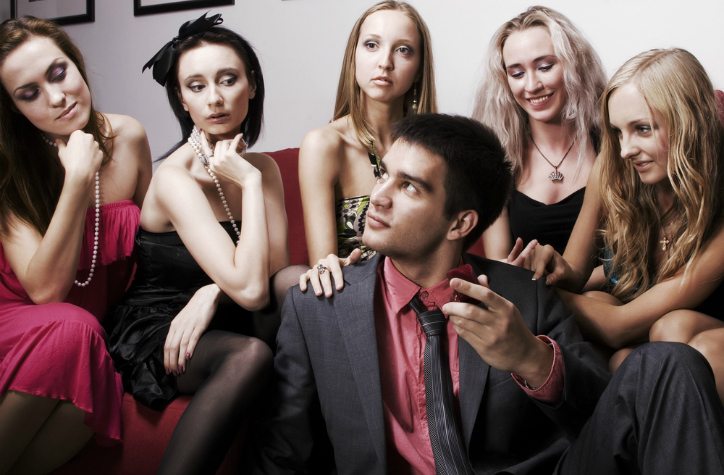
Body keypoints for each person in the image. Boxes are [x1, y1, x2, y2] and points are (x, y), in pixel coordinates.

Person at [253, 113, 724, 474]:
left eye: (409, 187)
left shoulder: (524, 295)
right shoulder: (319, 305)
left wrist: (532, 358)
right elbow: (283, 453)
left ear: (461, 223)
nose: (379, 196)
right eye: (384, 175)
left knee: (670, 361)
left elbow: (607, 417)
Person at [105, 13, 286, 475]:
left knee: (296, 283)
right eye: (197, 86)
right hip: (163, 324)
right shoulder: (175, 178)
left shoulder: (264, 169)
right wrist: (248, 185)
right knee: (251, 355)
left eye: (228, 80)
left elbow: (274, 275)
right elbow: (253, 292)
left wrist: (212, 293)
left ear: (252, 85)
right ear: (182, 100)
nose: (216, 99)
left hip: (222, 309)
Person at [526, 48, 724, 399]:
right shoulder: (615, 170)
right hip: (655, 331)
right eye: (618, 132)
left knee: (673, 329)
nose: (625, 149)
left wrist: (534, 294)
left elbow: (619, 327)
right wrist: (550, 269)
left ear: (688, 123)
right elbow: (575, 273)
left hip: (698, 334)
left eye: (642, 129)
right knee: (603, 310)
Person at [0, 17, 152, 474]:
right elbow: (45, 291)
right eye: (29, 94)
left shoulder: (129, 137)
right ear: (15, 109)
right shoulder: (9, 167)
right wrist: (78, 178)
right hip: (21, 323)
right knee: (75, 329)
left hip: (92, 335)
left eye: (58, 73)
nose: (56, 97)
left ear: (76, 63)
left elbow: (159, 248)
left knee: (96, 379)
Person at [298, 0, 436, 297]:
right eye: (372, 45)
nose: (385, 62)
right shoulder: (324, 144)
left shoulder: (434, 147)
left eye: (403, 50)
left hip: (426, 298)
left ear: (419, 68)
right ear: (354, 56)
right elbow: (323, 268)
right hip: (351, 296)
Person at [473, 6, 605, 273]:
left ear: (574, 65)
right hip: (529, 296)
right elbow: (500, 264)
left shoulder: (611, 143)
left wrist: (563, 288)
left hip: (607, 294)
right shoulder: (499, 159)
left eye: (545, 67)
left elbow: (632, 259)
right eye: (517, 73)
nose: (532, 85)